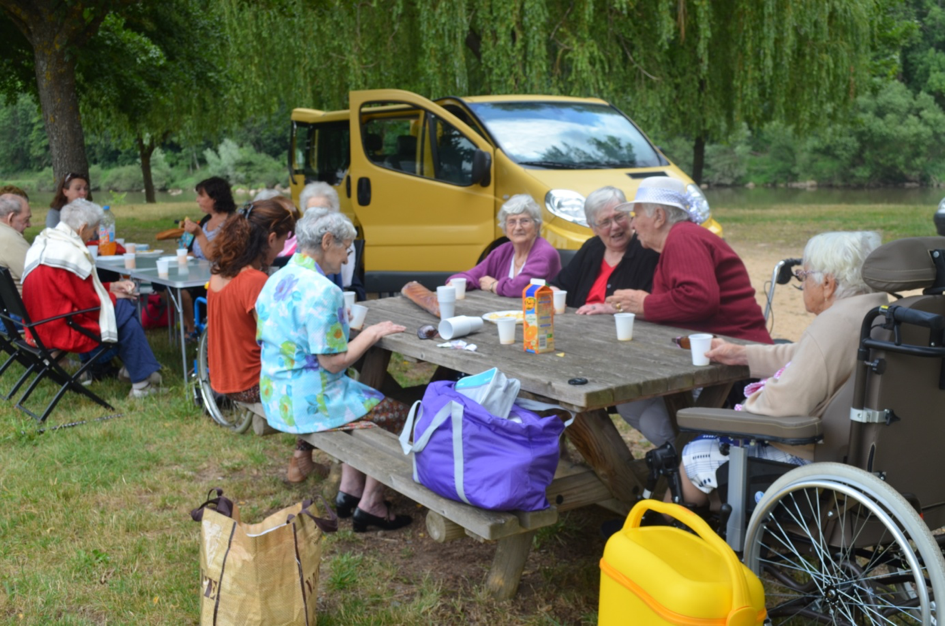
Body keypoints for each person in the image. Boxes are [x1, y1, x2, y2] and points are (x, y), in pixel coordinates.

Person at [674, 231, 887, 507]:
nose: (802, 282)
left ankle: (668, 530)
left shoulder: (834, 324)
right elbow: (807, 355)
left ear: (827, 283)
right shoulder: (873, 312)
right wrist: (741, 354)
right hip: (860, 453)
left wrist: (740, 410)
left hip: (812, 456)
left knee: (694, 455)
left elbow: (783, 404)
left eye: (803, 275)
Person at [256, 210, 412, 532]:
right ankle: (371, 503)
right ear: (327, 242)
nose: (346, 259)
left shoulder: (275, 279)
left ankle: (350, 491)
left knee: (373, 404)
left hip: (276, 396)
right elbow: (335, 362)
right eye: (346, 249)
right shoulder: (324, 291)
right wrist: (372, 333)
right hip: (312, 402)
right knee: (403, 415)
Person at [605, 176, 771, 447]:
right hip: (712, 353)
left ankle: (697, 463)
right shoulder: (679, 240)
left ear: (658, 216)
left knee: (645, 410)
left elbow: (700, 299)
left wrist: (645, 304)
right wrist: (638, 306)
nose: (632, 224)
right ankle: (682, 466)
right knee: (632, 406)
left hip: (735, 360)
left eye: (635, 215)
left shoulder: (683, 237)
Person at [204, 199, 318, 479]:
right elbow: (280, 340)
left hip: (223, 378)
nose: (283, 249)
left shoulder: (220, 271)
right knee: (330, 371)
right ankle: (301, 458)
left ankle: (300, 457)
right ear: (270, 238)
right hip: (251, 382)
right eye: (283, 241)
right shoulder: (254, 281)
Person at [22, 199, 163, 397]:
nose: (94, 235)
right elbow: (89, 303)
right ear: (82, 228)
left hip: (39, 324)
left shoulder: (47, 241)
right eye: (94, 230)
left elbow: (73, 289)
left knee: (123, 309)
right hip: (59, 327)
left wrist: (111, 287)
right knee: (125, 309)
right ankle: (141, 377)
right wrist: (114, 295)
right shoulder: (70, 253)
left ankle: (139, 375)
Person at [550, 186, 659, 313]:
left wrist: (611, 309)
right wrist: (552, 293)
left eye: (619, 217)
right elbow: (560, 285)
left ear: (630, 216)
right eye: (605, 222)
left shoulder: (647, 250)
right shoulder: (591, 247)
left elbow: (651, 304)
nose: (615, 226)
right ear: (593, 228)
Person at [448, 194, 561, 296]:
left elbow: (520, 288)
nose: (518, 227)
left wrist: (494, 285)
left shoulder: (544, 253)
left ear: (537, 226)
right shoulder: (503, 251)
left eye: (524, 221)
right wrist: (454, 283)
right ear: (505, 229)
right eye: (512, 222)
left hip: (537, 316)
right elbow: (474, 275)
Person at [180, 176, 237, 336]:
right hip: (196, 272)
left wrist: (198, 233)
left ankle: (192, 330)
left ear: (215, 197)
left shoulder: (231, 222)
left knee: (182, 290)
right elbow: (194, 252)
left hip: (218, 277)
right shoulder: (206, 220)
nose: (197, 200)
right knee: (162, 286)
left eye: (201, 195)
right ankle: (189, 325)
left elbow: (212, 255)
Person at [291, 181, 365, 300]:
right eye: (311, 213)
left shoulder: (344, 239)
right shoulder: (323, 290)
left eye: (323, 212)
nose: (318, 218)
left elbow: (346, 283)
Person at [0, 193, 33, 294]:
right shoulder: (9, 238)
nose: (29, 225)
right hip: (23, 307)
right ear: (11, 218)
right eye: (26, 220)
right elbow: (39, 278)